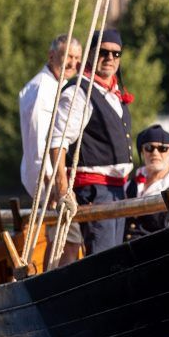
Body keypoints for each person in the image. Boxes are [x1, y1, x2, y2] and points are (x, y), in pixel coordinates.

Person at [49, 28, 134, 254]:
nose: (110, 58)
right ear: (91, 55)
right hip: (95, 190)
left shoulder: (113, 93)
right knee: (103, 256)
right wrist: (63, 188)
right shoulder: (79, 92)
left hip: (117, 189)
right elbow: (58, 141)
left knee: (115, 254)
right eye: (103, 52)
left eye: (116, 54)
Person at [19, 34, 83, 197]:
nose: (73, 63)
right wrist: (50, 184)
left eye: (77, 58)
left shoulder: (60, 84)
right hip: (47, 183)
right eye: (68, 56)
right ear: (51, 56)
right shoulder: (42, 90)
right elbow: (38, 141)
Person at [123, 124, 169, 241]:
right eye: (149, 148)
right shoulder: (128, 186)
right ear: (142, 152)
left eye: (163, 148)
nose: (155, 153)